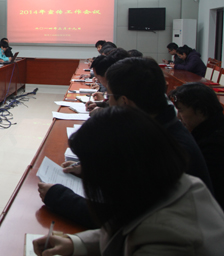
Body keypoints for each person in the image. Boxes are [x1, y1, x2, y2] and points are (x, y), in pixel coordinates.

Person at [39, 57, 213, 228]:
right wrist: (94, 171)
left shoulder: (166, 148)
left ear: (124, 102)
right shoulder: (159, 127)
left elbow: (123, 219)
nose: (108, 102)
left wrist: (58, 196)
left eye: (109, 96)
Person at [33, 106, 224, 256]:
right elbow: (127, 226)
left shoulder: (168, 238)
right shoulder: (171, 183)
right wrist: (76, 243)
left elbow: (145, 232)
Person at [170, 82, 224, 209]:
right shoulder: (209, 129)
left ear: (200, 110)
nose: (178, 116)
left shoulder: (214, 146)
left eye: (181, 110)